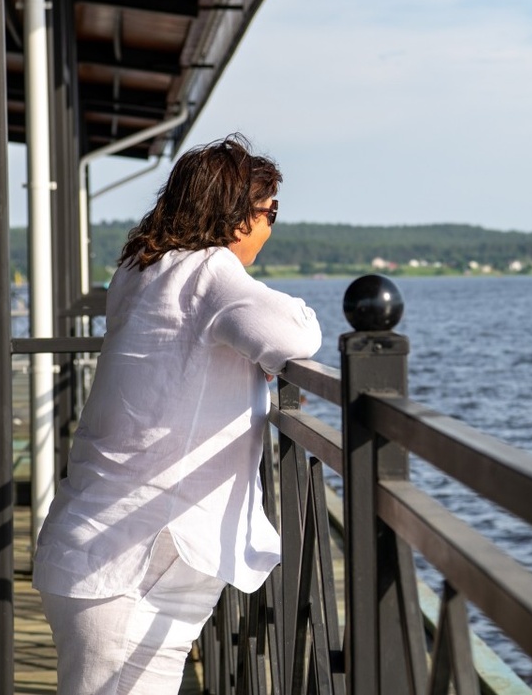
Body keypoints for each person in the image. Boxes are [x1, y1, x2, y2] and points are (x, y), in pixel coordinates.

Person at [32, 134, 321, 694]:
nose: (268, 229)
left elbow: (184, 359)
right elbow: (293, 335)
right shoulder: (208, 271)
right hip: (128, 566)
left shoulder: (139, 271)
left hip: (96, 547)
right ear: (238, 217)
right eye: (270, 213)